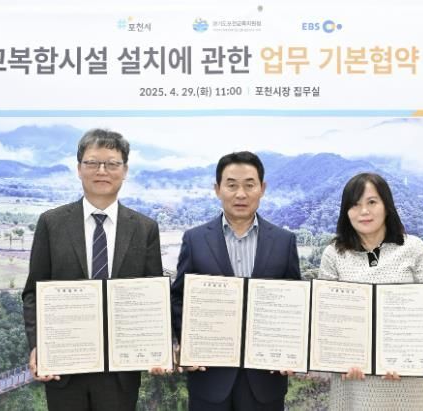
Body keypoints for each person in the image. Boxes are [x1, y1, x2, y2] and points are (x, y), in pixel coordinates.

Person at [22, 129, 164, 411]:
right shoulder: (51, 223)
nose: (102, 171)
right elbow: (33, 294)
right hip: (63, 368)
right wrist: (39, 346)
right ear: (79, 169)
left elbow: (153, 297)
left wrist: (158, 347)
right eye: (92, 163)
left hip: (120, 373)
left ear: (125, 170)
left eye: (112, 164)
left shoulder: (144, 228)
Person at [171, 151, 301, 411]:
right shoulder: (195, 239)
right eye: (231, 185)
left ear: (262, 188)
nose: (241, 194)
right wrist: (187, 342)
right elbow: (178, 297)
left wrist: (293, 349)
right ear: (217, 189)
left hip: (266, 378)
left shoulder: (284, 241)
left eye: (249, 185)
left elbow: (296, 302)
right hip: (209, 375)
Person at [318, 172, 423, 410]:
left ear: (386, 206)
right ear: (346, 212)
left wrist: (409, 359)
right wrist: (340, 358)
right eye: (355, 204)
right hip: (354, 377)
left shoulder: (414, 248)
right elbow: (327, 317)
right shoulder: (333, 254)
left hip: (406, 376)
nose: (364, 211)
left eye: (372, 202)